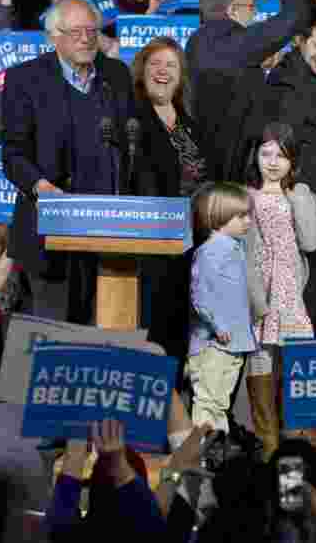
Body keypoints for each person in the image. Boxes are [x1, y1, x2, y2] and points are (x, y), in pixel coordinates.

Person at [1, 0, 135, 324]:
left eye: (92, 31)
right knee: (57, 340)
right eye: (75, 32)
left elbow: (133, 142)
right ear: (54, 37)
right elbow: (13, 153)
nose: (86, 39)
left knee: (104, 337)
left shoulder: (116, 74)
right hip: (51, 234)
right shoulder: (25, 79)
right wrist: (39, 185)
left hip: (109, 232)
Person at [186, 0, 311, 180]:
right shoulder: (235, 42)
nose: (254, 15)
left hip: (199, 176)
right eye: (252, 7)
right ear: (233, 11)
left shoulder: (195, 43)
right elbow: (296, 15)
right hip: (235, 180)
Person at [131, 37, 211, 383]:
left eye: (171, 65)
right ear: (142, 71)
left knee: (181, 330)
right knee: (152, 329)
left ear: (181, 76)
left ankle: (176, 410)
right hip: (147, 245)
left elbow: (206, 173)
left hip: (190, 243)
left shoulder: (189, 124)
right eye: (155, 64)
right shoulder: (131, 119)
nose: (162, 71)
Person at [244, 123, 316, 458]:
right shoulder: (245, 196)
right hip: (259, 294)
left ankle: (293, 450)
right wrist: (253, 298)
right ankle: (267, 447)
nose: (273, 162)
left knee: (294, 366)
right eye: (266, 153)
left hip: (290, 295)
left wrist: (300, 198)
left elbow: (311, 241)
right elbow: (244, 254)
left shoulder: (300, 195)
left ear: (293, 160)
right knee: (260, 361)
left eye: (282, 155)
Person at [267, 7, 316, 336]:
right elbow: (283, 148)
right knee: (302, 310)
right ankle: (292, 383)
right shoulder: (288, 82)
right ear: (302, 41)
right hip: (301, 214)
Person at [188, 182, 257, 432]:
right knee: (208, 400)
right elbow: (200, 295)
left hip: (234, 340)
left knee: (219, 402)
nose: (248, 221)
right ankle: (202, 450)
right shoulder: (210, 251)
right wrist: (217, 325)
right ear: (219, 216)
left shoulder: (234, 247)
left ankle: (217, 447)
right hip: (214, 342)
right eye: (241, 216)